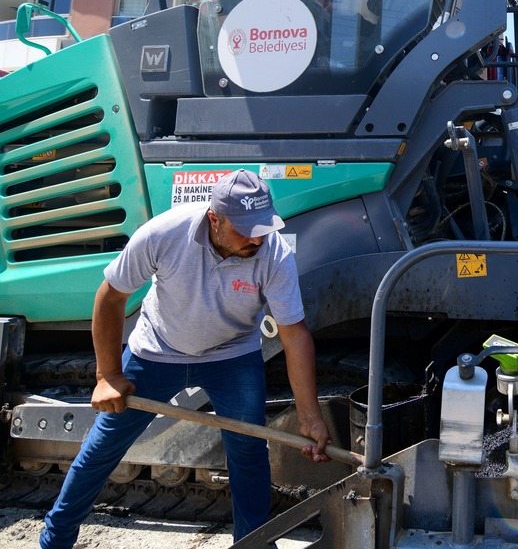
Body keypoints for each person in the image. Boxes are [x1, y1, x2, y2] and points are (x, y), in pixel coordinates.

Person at [40, 170, 331, 549]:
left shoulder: (273, 253)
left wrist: (309, 416)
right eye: (245, 230)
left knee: (248, 454)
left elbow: (294, 335)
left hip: (232, 355)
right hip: (156, 351)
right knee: (103, 447)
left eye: (262, 227)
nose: (256, 238)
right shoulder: (164, 234)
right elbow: (110, 297)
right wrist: (108, 375)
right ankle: (55, 539)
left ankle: (254, 543)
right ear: (215, 218)